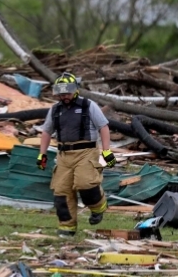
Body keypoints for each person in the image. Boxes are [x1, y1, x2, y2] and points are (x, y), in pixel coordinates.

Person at [36, 72, 117, 236]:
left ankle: (98, 207)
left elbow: (103, 127)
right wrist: (42, 154)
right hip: (64, 155)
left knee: (85, 183)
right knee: (61, 192)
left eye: (67, 93)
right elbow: (46, 132)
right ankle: (67, 228)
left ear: (75, 90)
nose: (64, 97)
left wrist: (106, 151)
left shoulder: (88, 106)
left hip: (86, 152)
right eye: (61, 94)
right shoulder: (55, 110)